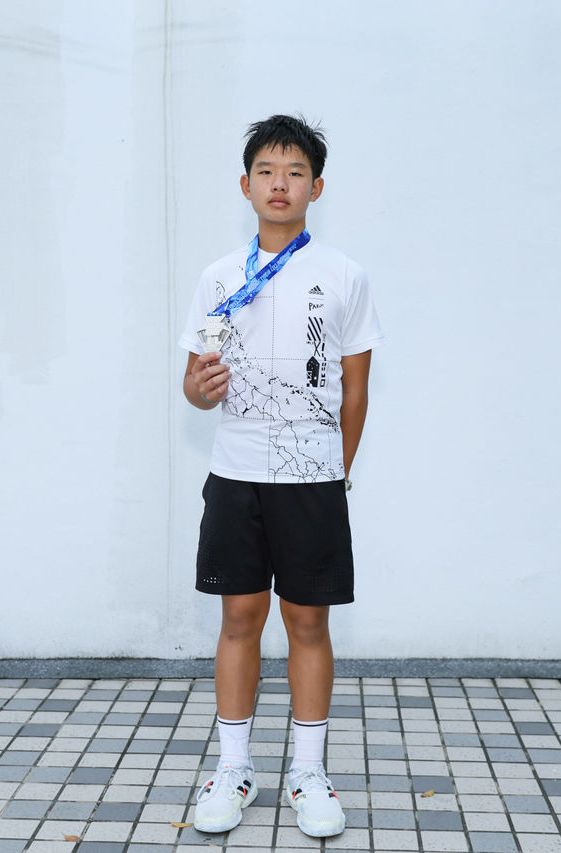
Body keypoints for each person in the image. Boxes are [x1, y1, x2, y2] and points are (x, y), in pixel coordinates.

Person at [177, 114, 383, 838]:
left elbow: (355, 390)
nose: (280, 184)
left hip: (312, 481)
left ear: (315, 188)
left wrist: (335, 472)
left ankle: (308, 772)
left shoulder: (344, 275)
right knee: (238, 617)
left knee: (308, 622)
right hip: (236, 475)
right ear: (246, 185)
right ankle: (234, 767)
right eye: (266, 171)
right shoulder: (219, 277)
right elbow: (195, 383)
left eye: (295, 172)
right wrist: (199, 389)